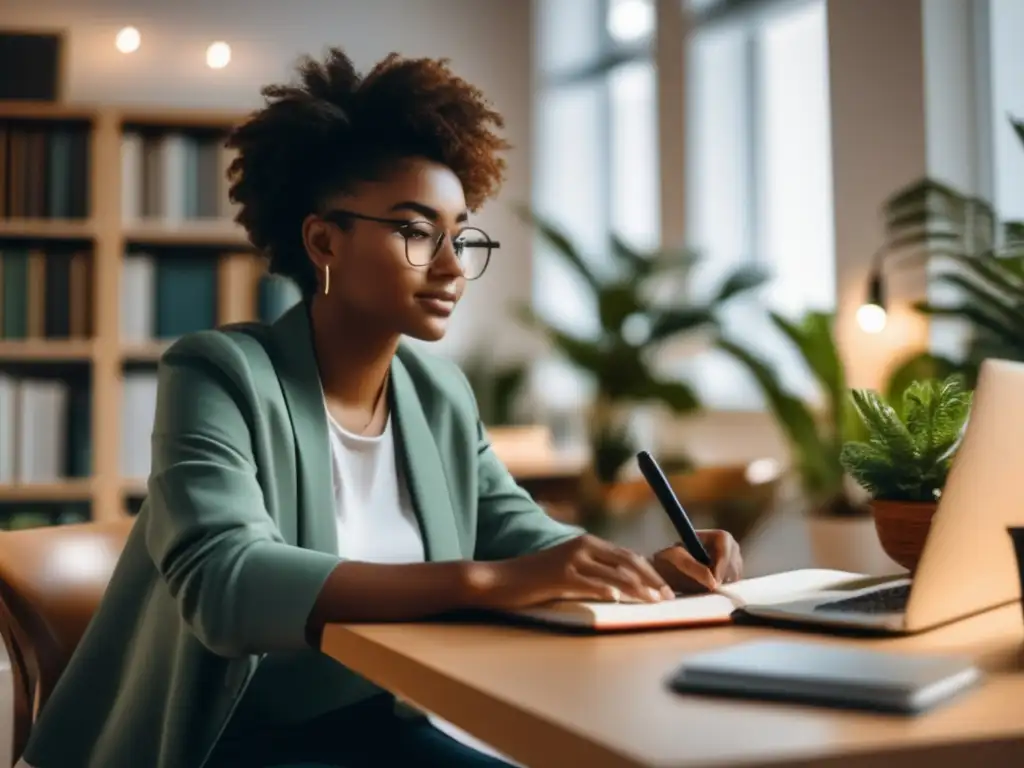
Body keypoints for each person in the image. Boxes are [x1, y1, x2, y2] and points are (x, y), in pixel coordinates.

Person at [18, 49, 743, 768]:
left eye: (460, 234)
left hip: (382, 723)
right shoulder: (219, 374)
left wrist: (640, 570)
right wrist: (483, 582)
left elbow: (517, 536)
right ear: (324, 240)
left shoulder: (439, 395)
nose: (453, 266)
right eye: (416, 230)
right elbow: (226, 584)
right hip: (227, 744)